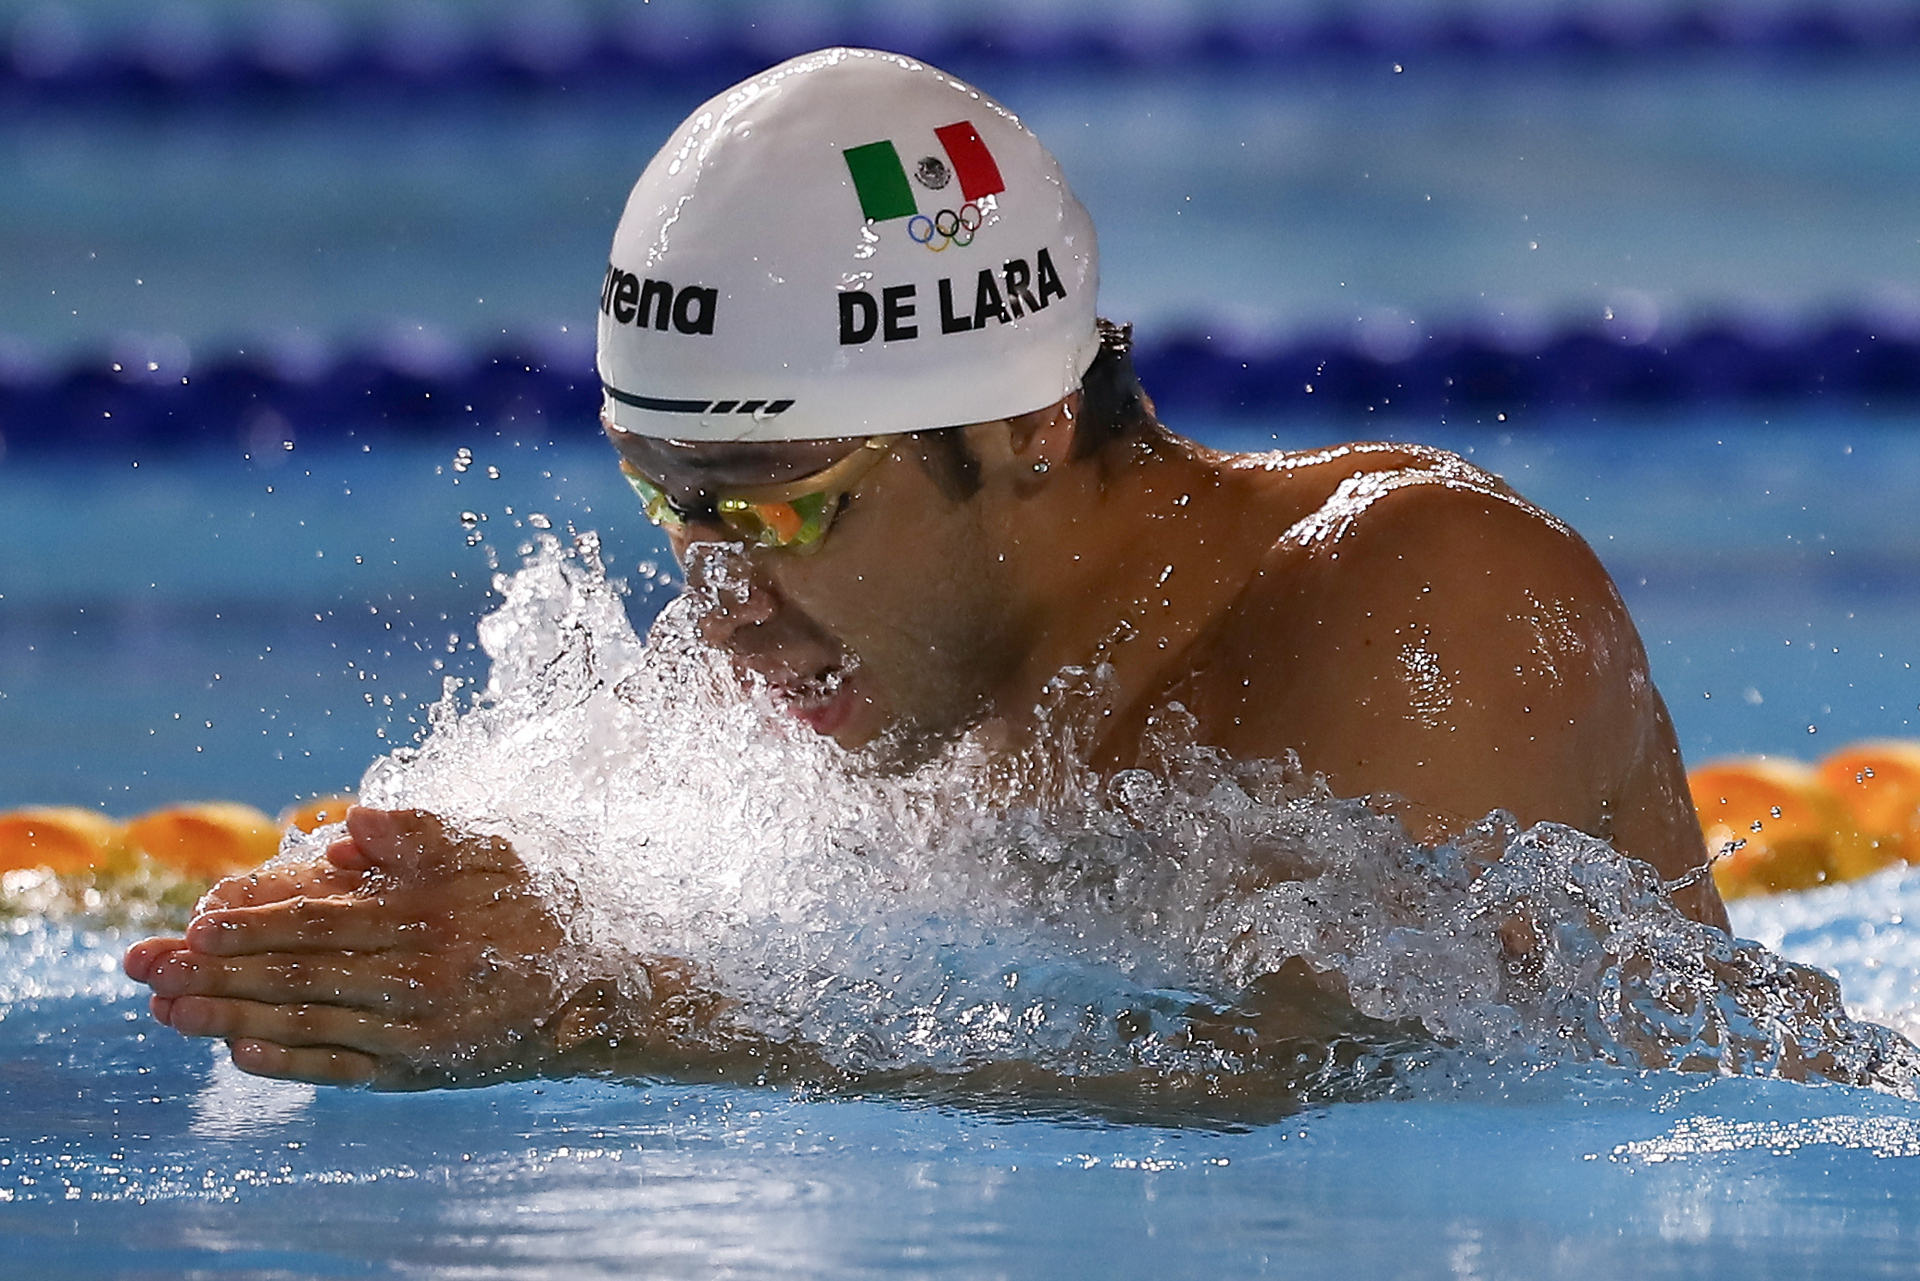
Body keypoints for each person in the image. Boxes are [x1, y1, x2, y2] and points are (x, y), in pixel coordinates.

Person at [123, 48, 1727, 1089]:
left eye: (780, 507)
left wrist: (606, 1012)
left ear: (1026, 420)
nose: (717, 603)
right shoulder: (888, 668)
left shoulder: (1422, 599)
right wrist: (396, 929)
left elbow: (1325, 1092)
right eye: (670, 503)